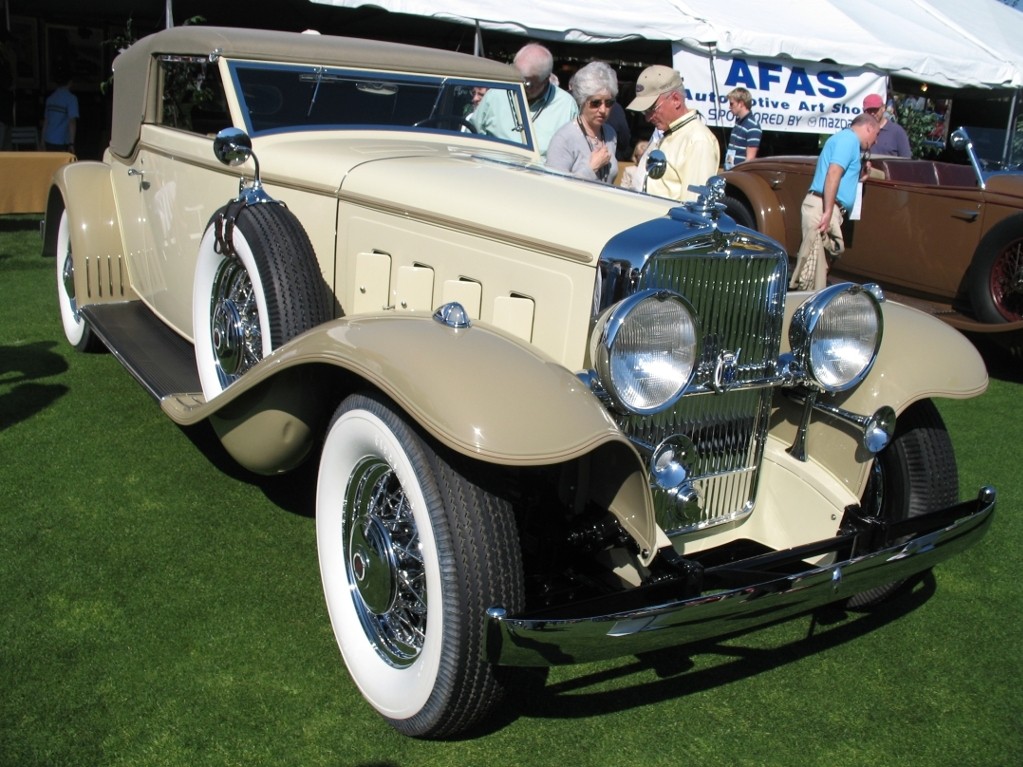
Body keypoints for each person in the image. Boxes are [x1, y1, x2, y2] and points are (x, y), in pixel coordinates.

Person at [789, 113, 879, 291]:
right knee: (811, 277)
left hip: (825, 207)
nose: (875, 141)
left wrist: (860, 176)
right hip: (822, 208)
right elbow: (833, 173)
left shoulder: (846, 141)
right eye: (876, 135)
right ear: (868, 127)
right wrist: (828, 210)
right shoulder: (849, 140)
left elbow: (841, 177)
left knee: (820, 271)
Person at [626, 65, 719, 202]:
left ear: (675, 99)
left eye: (652, 109)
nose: (647, 118)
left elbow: (694, 207)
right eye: (644, 112)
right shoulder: (666, 133)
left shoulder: (698, 140)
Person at [472, 42, 577, 158]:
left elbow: (571, 154)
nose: (518, 85)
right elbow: (471, 135)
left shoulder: (566, 106)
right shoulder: (496, 94)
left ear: (546, 79)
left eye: (527, 83)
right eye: (515, 76)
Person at [546, 62, 618, 183]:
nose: (603, 110)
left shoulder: (610, 134)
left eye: (609, 103)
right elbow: (553, 186)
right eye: (596, 103)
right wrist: (591, 168)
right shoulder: (564, 138)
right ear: (582, 101)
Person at [42, 67, 79, 153]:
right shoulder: (71, 99)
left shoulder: (50, 98)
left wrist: (42, 140)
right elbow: (72, 121)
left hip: (48, 138)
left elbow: (46, 121)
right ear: (70, 82)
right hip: (61, 140)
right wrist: (71, 143)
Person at [724, 87, 762, 169]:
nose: (729, 107)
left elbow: (750, 159)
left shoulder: (753, 127)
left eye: (731, 104)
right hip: (729, 171)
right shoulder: (738, 123)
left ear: (741, 104)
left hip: (738, 175)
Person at [863, 93, 911, 157]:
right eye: (869, 110)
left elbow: (906, 160)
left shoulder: (897, 132)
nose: (872, 113)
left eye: (875, 109)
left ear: (883, 108)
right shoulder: (862, 130)